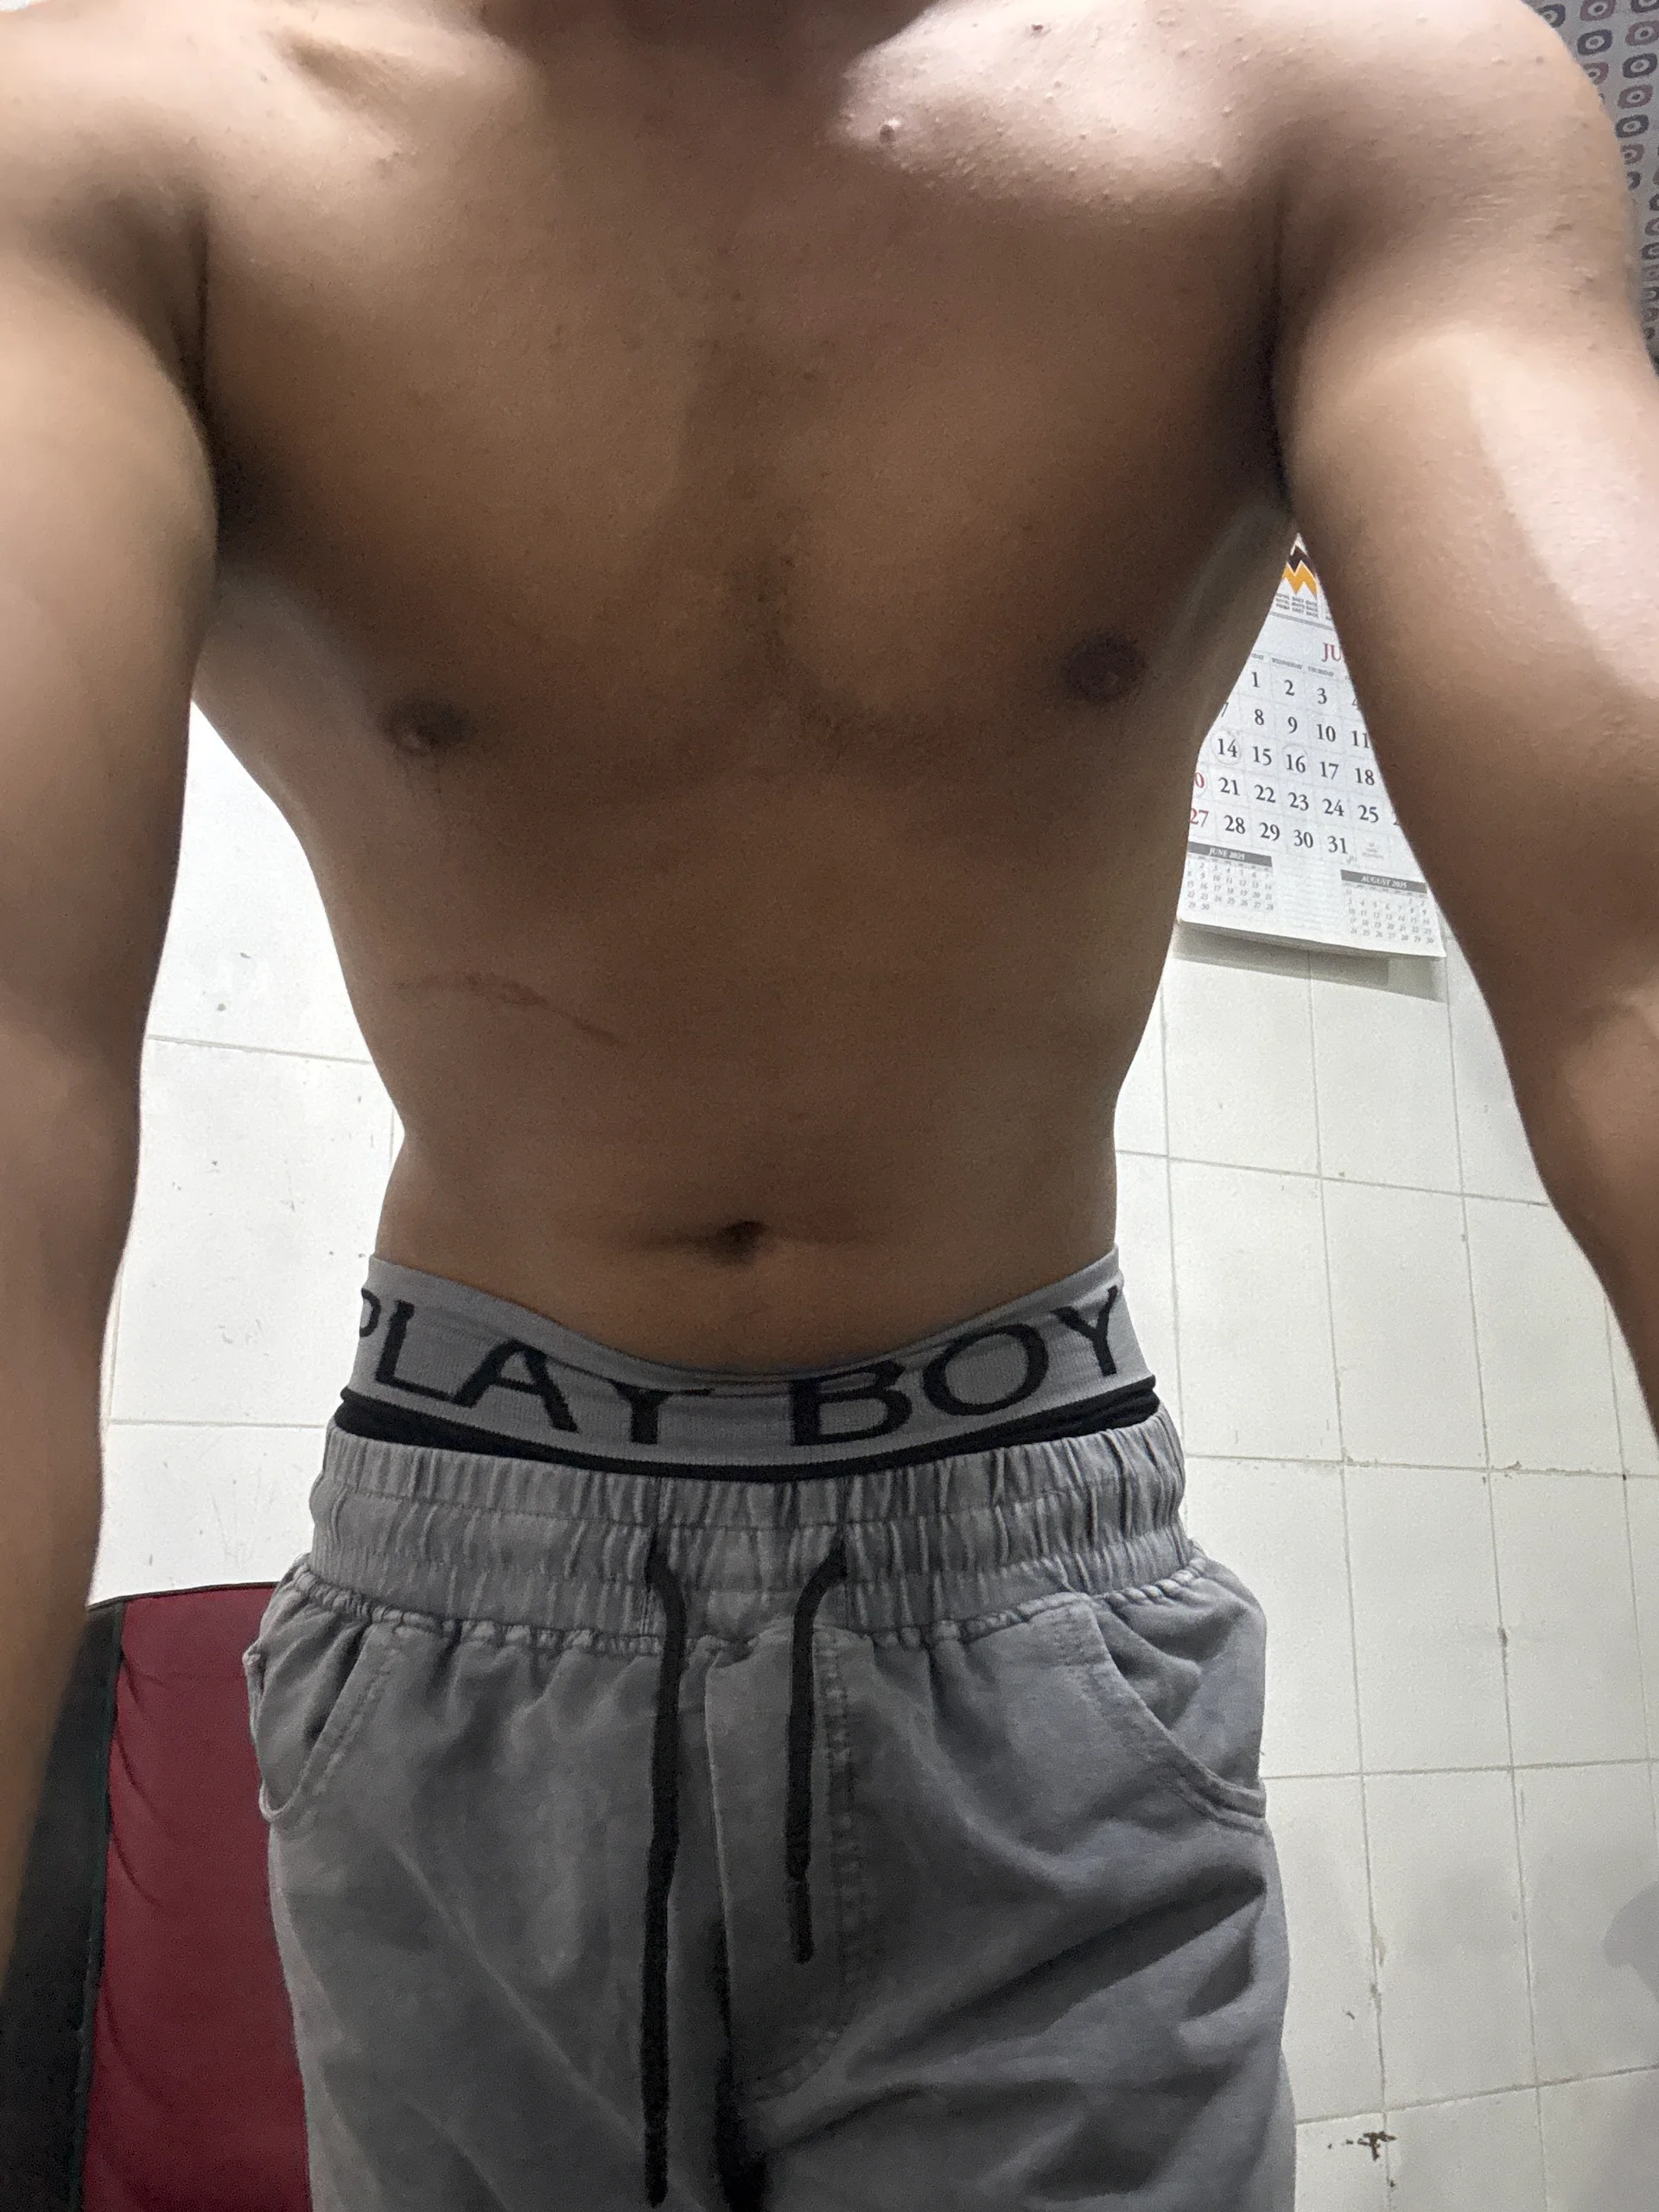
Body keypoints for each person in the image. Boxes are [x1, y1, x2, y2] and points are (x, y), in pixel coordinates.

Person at [1, 0, 1656, 2201]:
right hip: (467, 1556)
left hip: (1025, 1563)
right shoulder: (131, 131)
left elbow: (1635, 977)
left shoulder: (1335, 97)